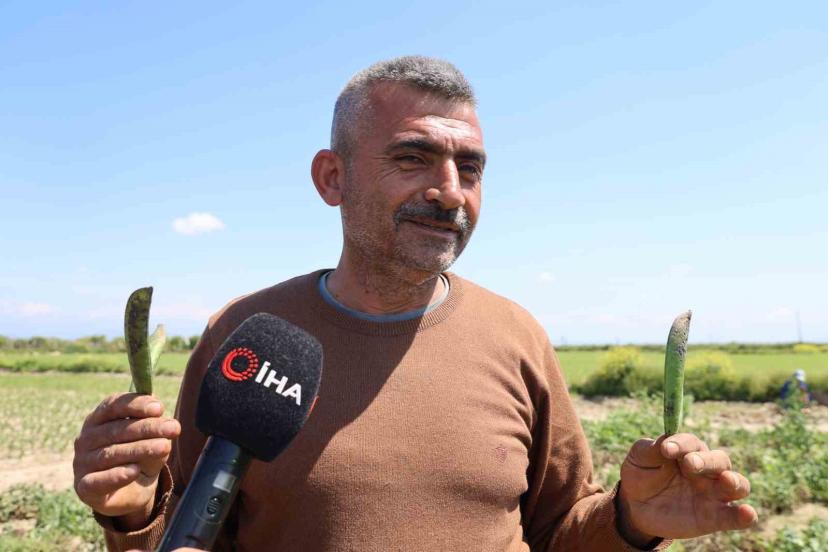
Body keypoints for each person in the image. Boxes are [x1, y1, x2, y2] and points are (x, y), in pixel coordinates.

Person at [73, 56, 758, 551]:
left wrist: (630, 522)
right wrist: (132, 517)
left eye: (471, 167)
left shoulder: (516, 336)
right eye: (413, 158)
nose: (451, 191)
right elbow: (189, 535)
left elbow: (558, 534)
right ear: (332, 177)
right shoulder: (248, 333)